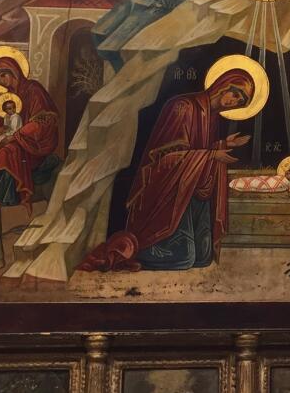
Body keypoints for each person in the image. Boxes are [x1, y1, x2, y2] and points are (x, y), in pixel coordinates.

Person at [79, 67, 255, 271]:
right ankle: (134, 249)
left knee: (204, 257)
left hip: (192, 184)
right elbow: (167, 158)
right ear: (224, 84)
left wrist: (223, 144)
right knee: (183, 259)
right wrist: (212, 155)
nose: (234, 102)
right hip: (169, 188)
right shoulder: (183, 106)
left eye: (241, 102)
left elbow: (197, 150)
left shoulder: (212, 117)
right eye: (236, 94)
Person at [0, 57, 59, 215]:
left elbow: (42, 122)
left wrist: (15, 136)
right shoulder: (9, 97)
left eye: (3, 75)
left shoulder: (33, 89)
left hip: (33, 142)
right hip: (14, 138)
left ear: (13, 71)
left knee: (5, 153)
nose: (1, 81)